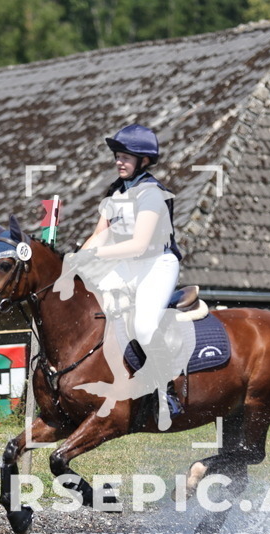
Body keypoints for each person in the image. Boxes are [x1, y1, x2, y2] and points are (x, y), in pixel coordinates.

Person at [55, 124, 191, 429]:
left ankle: (166, 389)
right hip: (126, 266)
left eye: (126, 156)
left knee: (142, 325)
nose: (119, 161)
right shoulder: (116, 191)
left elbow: (139, 244)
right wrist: (75, 262)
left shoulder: (153, 194)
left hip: (156, 264)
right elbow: (99, 236)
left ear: (143, 161)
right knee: (95, 310)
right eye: (117, 155)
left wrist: (95, 255)